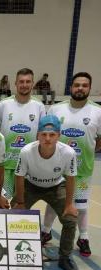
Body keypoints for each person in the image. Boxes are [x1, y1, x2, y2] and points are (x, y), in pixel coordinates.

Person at [42, 72, 101, 257]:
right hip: (57, 168)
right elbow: (47, 135)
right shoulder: (56, 110)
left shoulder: (97, 112)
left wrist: (88, 151)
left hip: (83, 169)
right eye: (77, 85)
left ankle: (83, 237)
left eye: (84, 85)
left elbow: (99, 140)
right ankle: (45, 231)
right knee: (54, 202)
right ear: (71, 87)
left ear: (89, 88)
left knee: (81, 206)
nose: (80, 88)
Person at [13, 115, 78, 270]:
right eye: (44, 134)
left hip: (56, 186)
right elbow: (19, 176)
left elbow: (70, 178)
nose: (47, 138)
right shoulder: (27, 151)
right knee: (13, 213)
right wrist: (20, 202)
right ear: (38, 135)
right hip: (31, 185)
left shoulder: (68, 153)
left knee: (70, 219)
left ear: (59, 136)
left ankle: (65, 257)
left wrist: (69, 204)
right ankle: (12, 254)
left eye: (52, 135)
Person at [0, 68, 46, 199]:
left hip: (29, 166)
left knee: (23, 204)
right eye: (21, 81)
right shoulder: (3, 105)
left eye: (28, 81)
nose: (24, 85)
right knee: (2, 202)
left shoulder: (39, 106)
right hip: (5, 164)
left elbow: (43, 134)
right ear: (15, 83)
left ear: (32, 83)